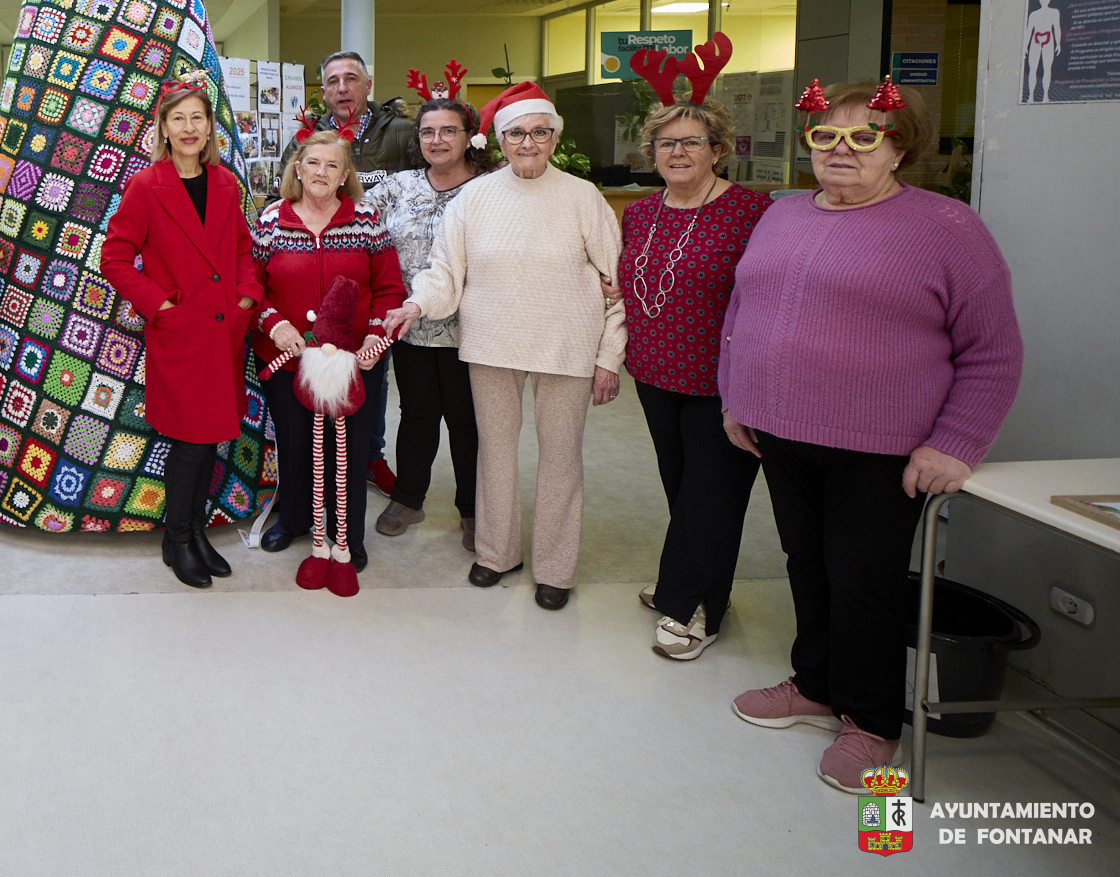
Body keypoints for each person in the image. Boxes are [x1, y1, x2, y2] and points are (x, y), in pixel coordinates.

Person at [722, 79, 1021, 793]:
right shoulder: (782, 214)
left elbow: (993, 351)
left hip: (882, 445)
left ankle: (872, 720)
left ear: (899, 148)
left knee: (865, 581)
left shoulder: (947, 227)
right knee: (806, 563)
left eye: (865, 136)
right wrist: (738, 396)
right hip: (781, 431)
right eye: (826, 135)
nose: (842, 149)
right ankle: (816, 684)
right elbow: (742, 308)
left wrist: (956, 442)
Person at [384, 82, 625, 612]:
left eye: (539, 132)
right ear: (499, 139)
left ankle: (556, 569)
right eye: (516, 134)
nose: (528, 143)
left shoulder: (582, 196)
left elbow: (617, 281)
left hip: (567, 343)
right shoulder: (474, 197)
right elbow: (445, 272)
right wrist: (416, 305)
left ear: (554, 137)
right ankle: (497, 553)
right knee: (493, 453)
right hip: (491, 343)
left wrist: (609, 355)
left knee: (561, 458)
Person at [617, 98, 770, 659]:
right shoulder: (640, 213)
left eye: (691, 142)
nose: (677, 152)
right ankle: (695, 582)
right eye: (666, 143)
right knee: (683, 489)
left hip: (722, 382)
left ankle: (693, 606)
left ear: (718, 151)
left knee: (712, 494)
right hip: (655, 373)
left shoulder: (752, 211)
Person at [98, 72, 262, 587]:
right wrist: (159, 305)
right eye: (178, 119)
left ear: (210, 127)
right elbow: (114, 258)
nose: (189, 127)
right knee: (190, 441)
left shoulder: (225, 183)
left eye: (197, 118)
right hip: (181, 333)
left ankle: (191, 534)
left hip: (224, 330)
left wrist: (246, 294)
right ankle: (179, 537)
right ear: (163, 129)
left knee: (210, 440)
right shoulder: (146, 186)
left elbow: (242, 248)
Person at [251, 129, 405, 574]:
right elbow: (251, 288)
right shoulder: (272, 219)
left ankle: (346, 535)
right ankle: (295, 519)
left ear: (344, 175)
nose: (321, 172)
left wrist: (375, 335)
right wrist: (274, 324)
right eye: (313, 163)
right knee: (295, 442)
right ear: (298, 169)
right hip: (289, 359)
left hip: (353, 360)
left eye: (332, 165)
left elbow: (389, 287)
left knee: (350, 451)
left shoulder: (367, 219)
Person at [280, 50, 418, 494]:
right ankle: (318, 470)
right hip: (319, 271)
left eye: (352, 79)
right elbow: (286, 190)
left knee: (372, 373)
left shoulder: (400, 132)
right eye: (334, 81)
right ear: (323, 91)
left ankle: (368, 455)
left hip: (383, 270)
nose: (343, 88)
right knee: (318, 374)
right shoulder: (308, 136)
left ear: (368, 85)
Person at [364, 95, 491, 547]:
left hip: (473, 329)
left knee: (466, 420)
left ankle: (473, 509)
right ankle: (408, 498)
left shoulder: (491, 188)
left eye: (448, 130)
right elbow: (353, 217)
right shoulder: (398, 186)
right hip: (410, 325)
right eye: (427, 132)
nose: (437, 140)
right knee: (416, 414)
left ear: (469, 136)